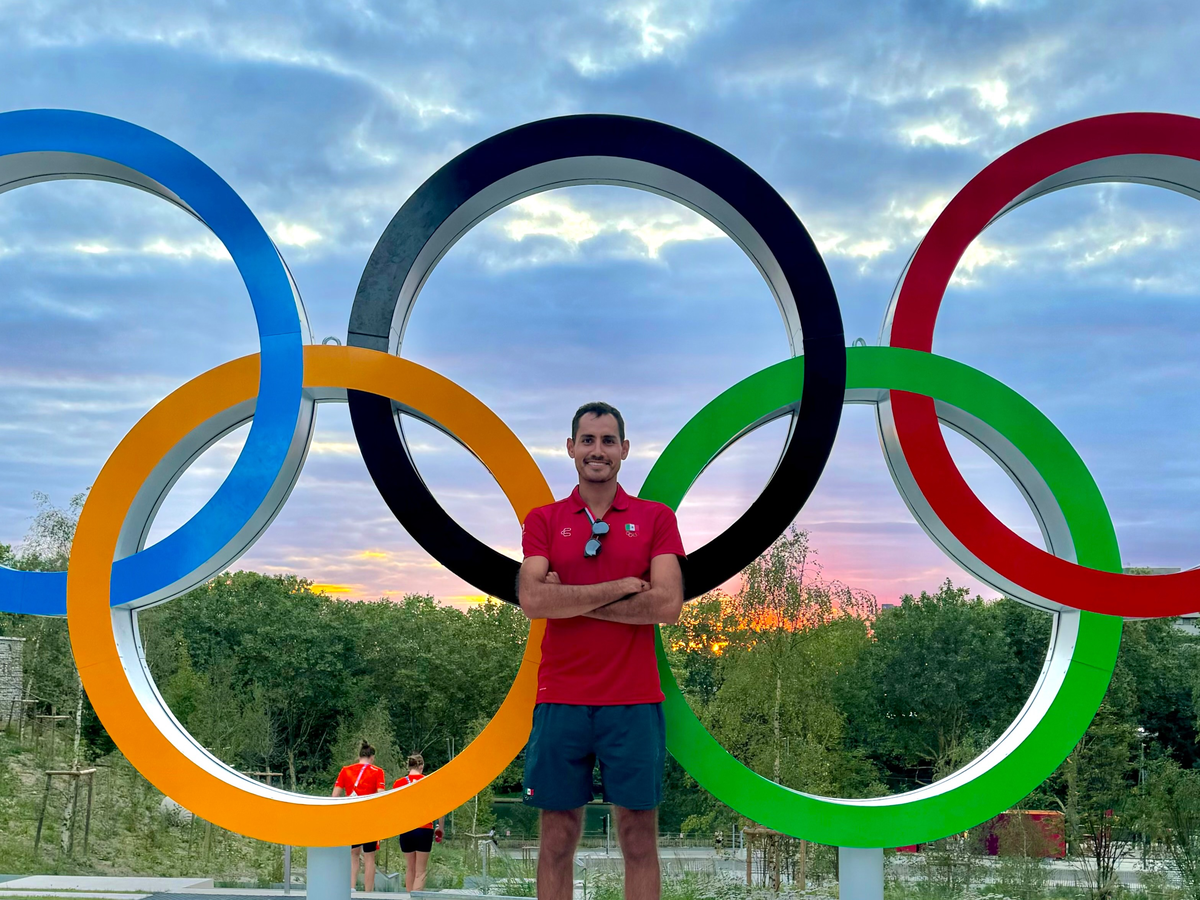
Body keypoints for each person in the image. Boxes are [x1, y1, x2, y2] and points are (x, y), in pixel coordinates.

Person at [518, 401, 686, 900]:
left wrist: (568, 599)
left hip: (634, 700)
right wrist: (621, 588)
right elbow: (532, 600)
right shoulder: (544, 519)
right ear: (571, 448)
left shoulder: (656, 518)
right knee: (557, 838)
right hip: (561, 698)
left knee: (638, 838)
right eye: (588, 440)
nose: (598, 450)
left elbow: (668, 605)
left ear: (624, 450)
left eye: (608, 440)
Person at [332, 740, 387, 892]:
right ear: (372, 757)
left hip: (351, 817)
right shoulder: (377, 772)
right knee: (369, 856)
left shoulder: (346, 770)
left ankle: (351, 888)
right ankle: (368, 892)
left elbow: (335, 796)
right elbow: (381, 796)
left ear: (359, 756)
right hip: (369, 818)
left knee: (353, 854)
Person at [392, 753, 444, 892]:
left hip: (406, 829)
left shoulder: (398, 783)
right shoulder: (429, 782)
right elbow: (439, 808)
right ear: (421, 766)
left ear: (409, 766)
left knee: (410, 868)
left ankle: (409, 896)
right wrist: (440, 827)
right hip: (424, 829)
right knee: (420, 871)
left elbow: (393, 808)